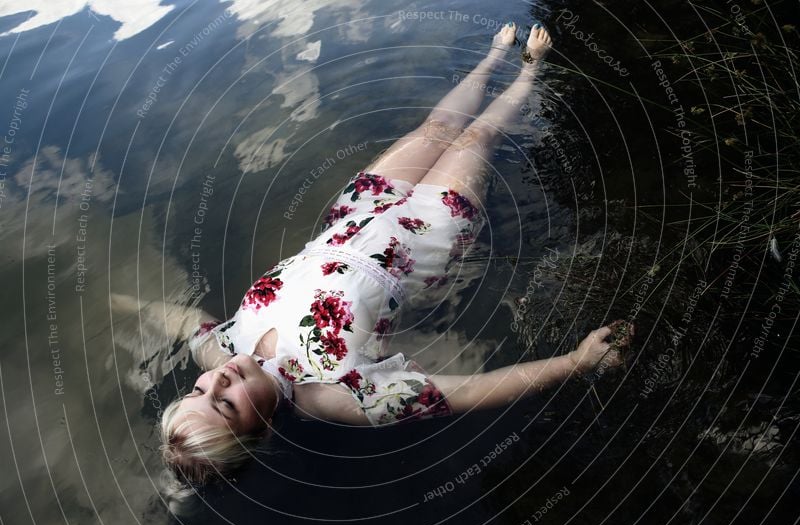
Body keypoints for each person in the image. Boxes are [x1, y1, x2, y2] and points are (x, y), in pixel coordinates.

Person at [152, 23, 631, 486]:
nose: (218, 382)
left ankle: (493, 57)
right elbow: (464, 392)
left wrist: (119, 306)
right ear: (264, 428)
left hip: (356, 214)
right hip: (427, 237)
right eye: (226, 404)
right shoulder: (337, 400)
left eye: (199, 389)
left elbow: (182, 320)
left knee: (438, 126)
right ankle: (529, 70)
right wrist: (576, 362)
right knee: (475, 138)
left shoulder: (223, 350)